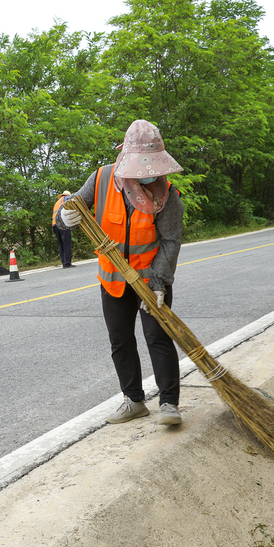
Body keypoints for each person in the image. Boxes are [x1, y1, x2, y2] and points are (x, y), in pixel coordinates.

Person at [57, 119, 184, 427]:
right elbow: (71, 204)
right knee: (120, 341)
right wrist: (64, 216)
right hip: (112, 279)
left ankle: (168, 403)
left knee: (158, 337)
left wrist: (159, 281)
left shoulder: (166, 194)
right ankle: (134, 401)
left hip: (150, 281)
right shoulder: (101, 179)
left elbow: (170, 241)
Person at [51, 190, 75, 268]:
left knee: (61, 244)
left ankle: (64, 262)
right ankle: (67, 263)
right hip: (63, 223)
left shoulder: (57, 203)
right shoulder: (66, 198)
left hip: (55, 225)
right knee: (66, 243)